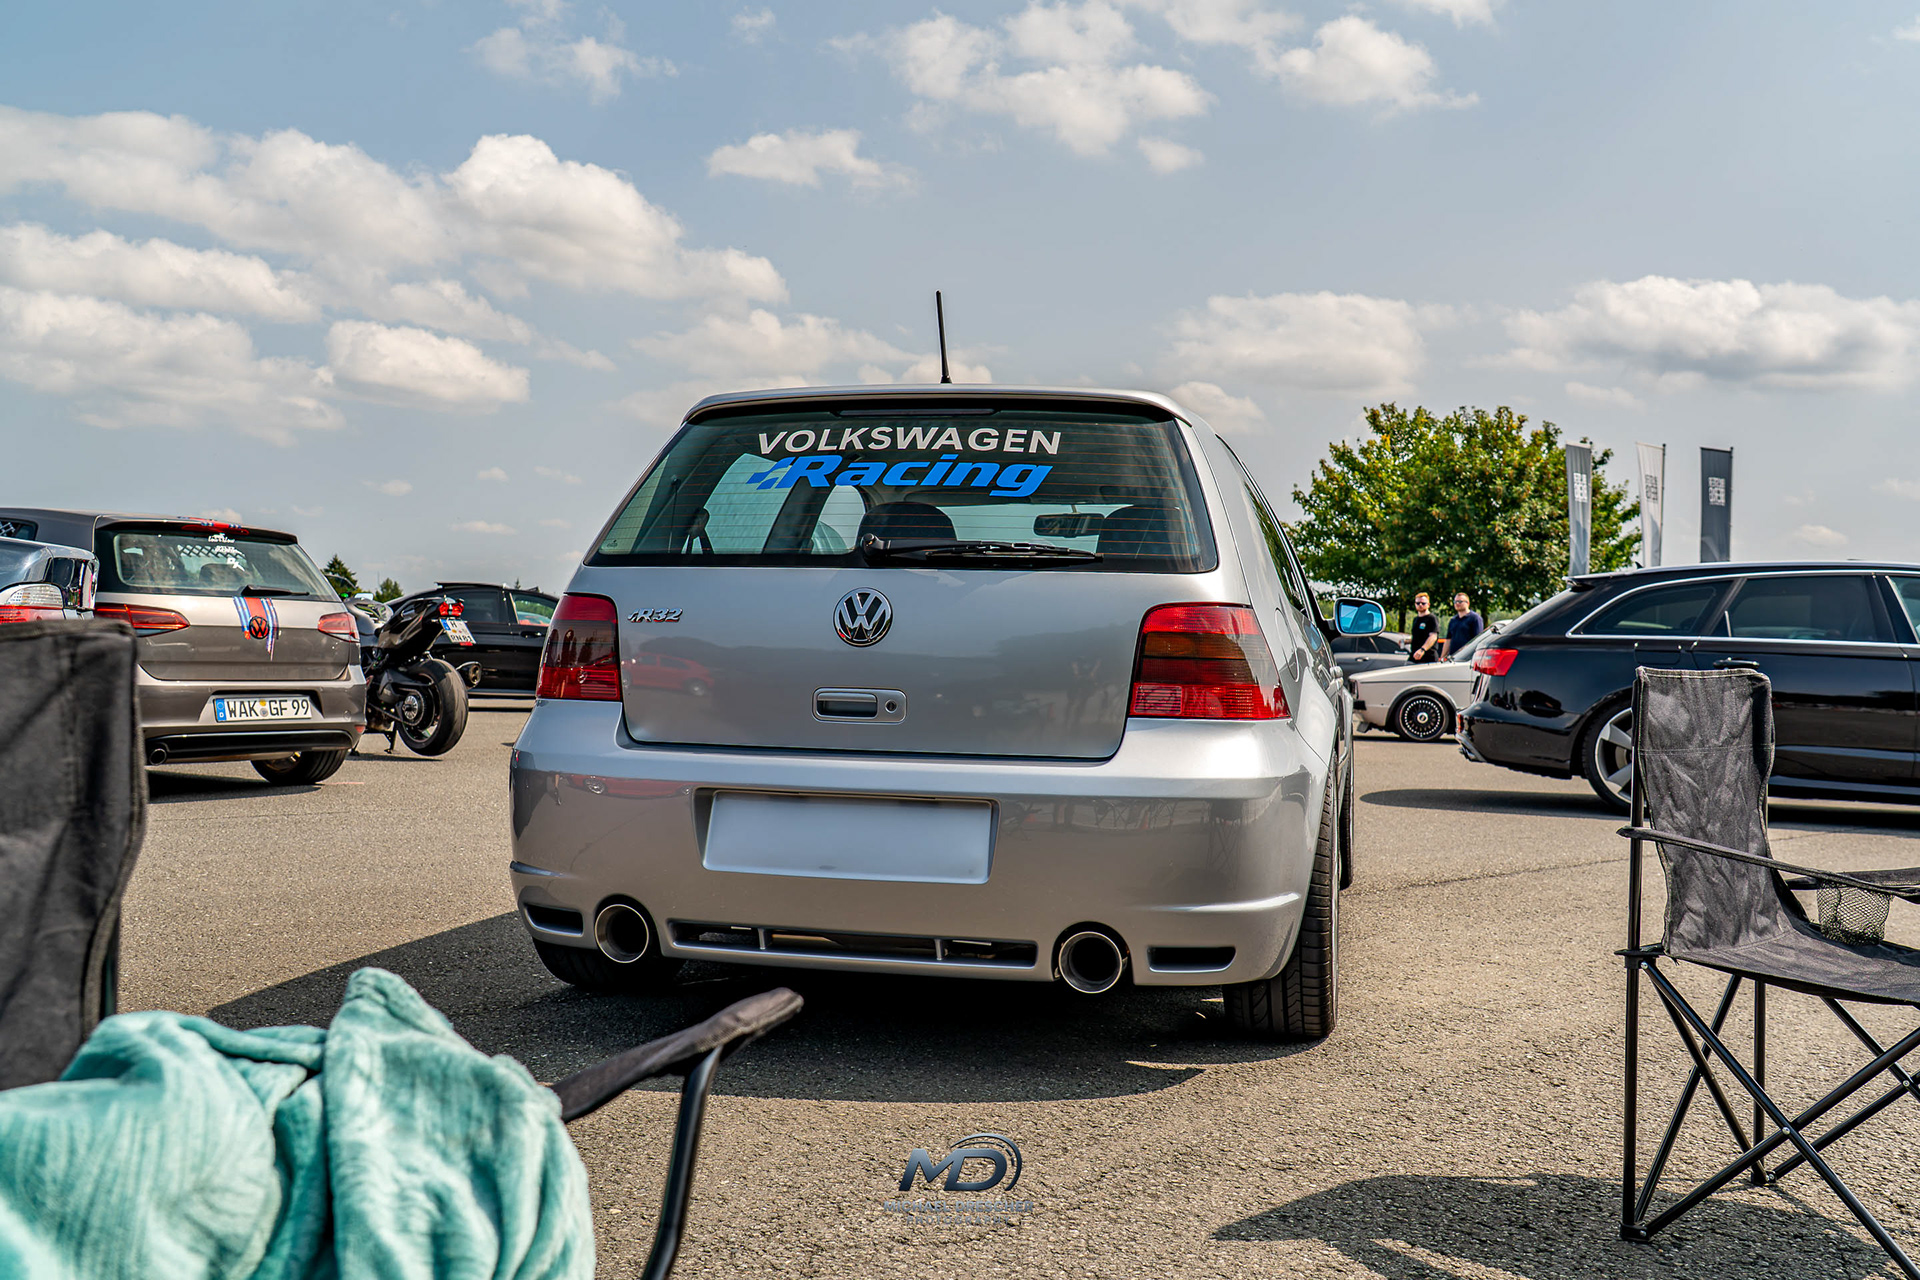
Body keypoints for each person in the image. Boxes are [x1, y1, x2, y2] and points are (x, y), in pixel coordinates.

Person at [1443, 591, 1484, 659]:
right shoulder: (1453, 620)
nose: (1457, 603)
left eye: (1460, 601)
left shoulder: (1475, 618)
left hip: (1468, 658)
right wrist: (1442, 657)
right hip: (1453, 658)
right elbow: (1448, 640)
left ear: (1468, 603)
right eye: (1455, 602)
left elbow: (1477, 640)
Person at [1407, 592, 1442, 664]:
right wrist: (1406, 641)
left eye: (1423, 603)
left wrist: (1423, 649)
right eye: (1418, 603)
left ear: (1428, 605)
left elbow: (1433, 637)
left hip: (1428, 657)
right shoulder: (1416, 619)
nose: (1420, 605)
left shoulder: (1431, 618)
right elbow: (1418, 637)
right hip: (1414, 656)